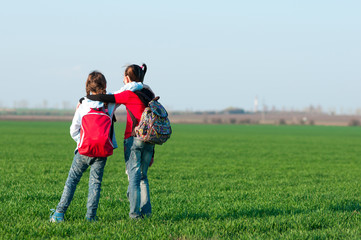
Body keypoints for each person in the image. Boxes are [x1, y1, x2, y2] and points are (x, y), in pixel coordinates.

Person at [87, 63, 155, 219]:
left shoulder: (129, 94)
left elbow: (104, 98)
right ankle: (147, 213)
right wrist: (152, 153)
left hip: (133, 139)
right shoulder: (149, 93)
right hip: (150, 140)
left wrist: (87, 97)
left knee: (134, 178)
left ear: (127, 78)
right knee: (143, 177)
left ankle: (134, 215)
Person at [50, 71, 114, 222]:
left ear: (87, 86)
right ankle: (91, 217)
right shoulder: (109, 103)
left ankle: (59, 214)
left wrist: (82, 142)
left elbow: (73, 130)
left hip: (83, 151)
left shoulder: (83, 104)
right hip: (101, 152)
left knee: (72, 181)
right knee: (95, 184)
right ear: (104, 86)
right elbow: (120, 94)